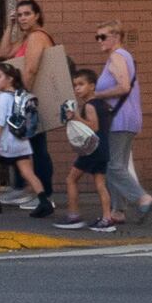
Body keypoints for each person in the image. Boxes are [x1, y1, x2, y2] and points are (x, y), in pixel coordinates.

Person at [91, 20, 152, 224]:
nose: (99, 40)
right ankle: (118, 211)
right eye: (97, 37)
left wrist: (98, 94)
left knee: (113, 165)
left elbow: (124, 86)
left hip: (120, 119)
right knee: (116, 164)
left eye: (103, 36)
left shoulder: (117, 56)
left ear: (116, 37)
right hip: (127, 118)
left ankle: (143, 198)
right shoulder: (120, 57)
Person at [0, 0, 57, 211]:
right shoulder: (26, 38)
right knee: (21, 144)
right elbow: (4, 53)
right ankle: (24, 188)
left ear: (37, 15)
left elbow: (30, 70)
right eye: (19, 15)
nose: (22, 18)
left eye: (26, 14)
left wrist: (20, 100)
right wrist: (10, 25)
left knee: (38, 148)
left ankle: (45, 194)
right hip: (27, 99)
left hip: (30, 101)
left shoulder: (38, 37)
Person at [0, 62, 53, 217]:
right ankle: (44, 201)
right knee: (28, 173)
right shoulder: (20, 95)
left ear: (9, 79)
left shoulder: (3, 98)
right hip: (22, 142)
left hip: (7, 143)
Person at [52, 69, 115, 232]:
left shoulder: (89, 105)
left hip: (91, 150)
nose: (77, 89)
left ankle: (74, 216)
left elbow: (94, 126)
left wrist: (76, 117)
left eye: (81, 84)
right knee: (100, 184)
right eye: (75, 85)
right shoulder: (101, 103)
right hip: (103, 148)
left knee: (71, 179)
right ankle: (107, 218)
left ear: (92, 86)